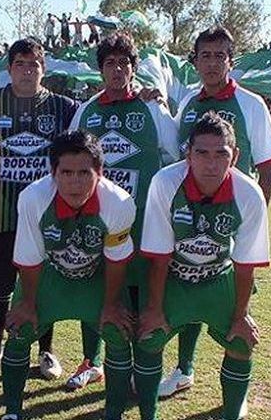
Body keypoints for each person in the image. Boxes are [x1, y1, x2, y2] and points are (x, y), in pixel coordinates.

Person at [165, 26, 271, 398]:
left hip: (231, 221)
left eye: (220, 55)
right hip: (188, 216)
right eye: (205, 55)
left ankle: (237, 389)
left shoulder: (250, 104)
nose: (212, 62)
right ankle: (184, 369)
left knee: (235, 299)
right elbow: (173, 153)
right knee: (188, 283)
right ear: (195, 61)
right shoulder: (187, 103)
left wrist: (255, 217)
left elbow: (267, 165)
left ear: (231, 61)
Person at [138, 113, 271, 420]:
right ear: (189, 154)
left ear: (235, 156)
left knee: (241, 340)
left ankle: (233, 411)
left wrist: (241, 316)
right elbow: (159, 257)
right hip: (174, 278)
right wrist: (155, 310)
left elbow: (245, 265)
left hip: (218, 277)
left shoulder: (249, 193)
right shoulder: (166, 182)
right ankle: (147, 414)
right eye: (202, 153)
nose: (211, 164)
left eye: (221, 154)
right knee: (147, 336)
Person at [67, 32, 179, 392]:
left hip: (144, 221)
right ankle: (91, 362)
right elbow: (70, 160)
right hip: (95, 219)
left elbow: (173, 157)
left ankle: (134, 363)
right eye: (110, 63)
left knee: (137, 291)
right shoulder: (86, 111)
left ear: (133, 69)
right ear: (101, 70)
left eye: (124, 63)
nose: (117, 69)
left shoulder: (152, 109)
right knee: (95, 287)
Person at [0, 130, 137, 420]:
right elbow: (30, 257)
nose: (75, 182)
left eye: (84, 173)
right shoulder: (33, 198)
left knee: (116, 331)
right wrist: (26, 304)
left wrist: (112, 305)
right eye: (66, 172)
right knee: (20, 331)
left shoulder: (120, 203)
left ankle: (113, 413)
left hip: (96, 277)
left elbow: (116, 260)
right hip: (51, 275)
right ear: (53, 172)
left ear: (100, 172)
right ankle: (12, 411)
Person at [0, 38, 78, 377]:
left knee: (40, 286)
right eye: (20, 64)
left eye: (34, 64)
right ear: (9, 68)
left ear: (44, 69)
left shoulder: (65, 107)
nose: (28, 71)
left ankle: (45, 351)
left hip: (47, 217)